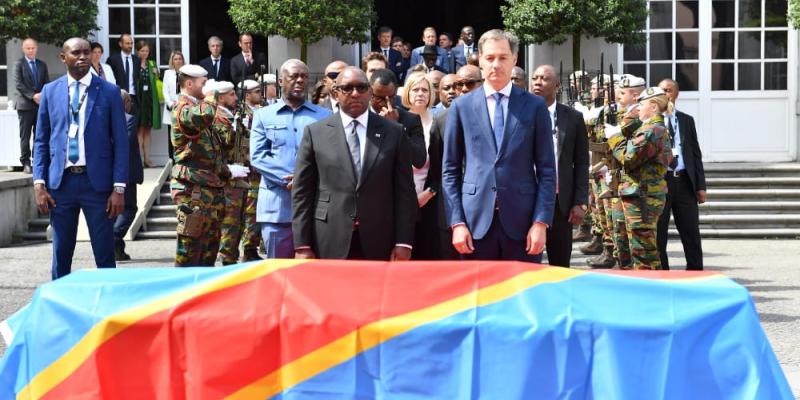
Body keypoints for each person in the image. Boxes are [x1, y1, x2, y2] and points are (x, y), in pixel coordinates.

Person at [442, 29, 556, 262]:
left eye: (503, 58)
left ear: (514, 59)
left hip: (523, 224)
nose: (496, 64)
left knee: (522, 295)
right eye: (490, 58)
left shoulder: (535, 107)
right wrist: (457, 222)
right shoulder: (461, 107)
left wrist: (541, 222)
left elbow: (547, 170)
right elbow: (450, 170)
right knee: (479, 297)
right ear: (480, 60)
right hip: (474, 225)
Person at [292, 67, 416, 260]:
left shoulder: (394, 132)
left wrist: (403, 242)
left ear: (370, 92)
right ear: (335, 93)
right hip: (328, 237)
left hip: (380, 239)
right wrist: (302, 245)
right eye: (347, 88)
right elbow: (302, 193)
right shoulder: (315, 133)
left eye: (361, 87)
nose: (355, 94)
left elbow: (405, 192)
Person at [32, 38, 128, 279]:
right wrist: (39, 184)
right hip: (60, 186)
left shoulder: (109, 92)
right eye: (77, 53)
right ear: (64, 57)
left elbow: (121, 143)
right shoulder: (50, 91)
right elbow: (42, 141)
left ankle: (107, 310)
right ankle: (60, 310)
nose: (83, 57)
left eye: (87, 52)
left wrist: (119, 188)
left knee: (105, 255)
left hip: (97, 186)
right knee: (61, 254)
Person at [250, 60, 331, 258]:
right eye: (293, 76)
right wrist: (289, 179)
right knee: (279, 272)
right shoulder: (263, 116)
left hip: (315, 207)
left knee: (313, 275)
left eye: (304, 77)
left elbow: (331, 156)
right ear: (281, 81)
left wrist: (303, 180)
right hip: (277, 208)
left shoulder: (325, 116)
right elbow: (258, 156)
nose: (300, 80)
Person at [606, 87, 673, 270]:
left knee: (643, 252)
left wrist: (614, 138)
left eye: (641, 104)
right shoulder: (647, 128)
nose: (637, 108)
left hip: (644, 197)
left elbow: (629, 158)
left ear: (653, 107)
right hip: (637, 194)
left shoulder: (653, 130)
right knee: (631, 248)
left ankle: (652, 291)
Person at [531, 64, 589, 267]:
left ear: (556, 85)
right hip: (528, 198)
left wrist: (580, 201)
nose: (538, 82)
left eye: (544, 78)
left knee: (560, 262)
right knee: (529, 261)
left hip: (560, 202)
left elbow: (582, 162)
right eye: (535, 77)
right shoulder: (521, 115)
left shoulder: (573, 118)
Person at [170, 64, 228, 267]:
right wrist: (212, 94)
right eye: (203, 83)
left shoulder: (200, 106)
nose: (206, 87)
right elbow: (201, 117)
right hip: (192, 189)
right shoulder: (183, 108)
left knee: (208, 253)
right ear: (188, 83)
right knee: (189, 253)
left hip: (209, 187)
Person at [656, 78, 706, 270]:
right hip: (662, 182)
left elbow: (695, 154)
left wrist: (700, 186)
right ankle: (663, 274)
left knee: (690, 230)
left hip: (684, 180)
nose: (665, 94)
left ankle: (695, 271)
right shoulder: (652, 121)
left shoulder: (686, 120)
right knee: (660, 231)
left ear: (676, 94)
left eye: (668, 90)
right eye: (661, 91)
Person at [402, 72, 440, 260]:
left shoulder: (439, 122)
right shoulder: (396, 120)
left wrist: (430, 192)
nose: (420, 94)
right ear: (407, 93)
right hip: (401, 200)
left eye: (425, 90)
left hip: (430, 199)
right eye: (415, 89)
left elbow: (444, 163)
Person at [213, 80, 249, 265]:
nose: (236, 98)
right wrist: (235, 127)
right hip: (227, 179)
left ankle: (231, 257)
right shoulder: (218, 117)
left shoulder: (231, 116)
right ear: (220, 98)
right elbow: (224, 144)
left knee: (238, 223)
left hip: (238, 176)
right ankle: (227, 260)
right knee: (230, 223)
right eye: (231, 94)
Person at [368, 69, 426, 168]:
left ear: (396, 93)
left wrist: (396, 127)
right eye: (379, 98)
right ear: (369, 92)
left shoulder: (410, 120)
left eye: (390, 97)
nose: (385, 103)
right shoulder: (361, 117)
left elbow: (419, 160)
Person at [114, 90, 143, 261]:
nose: (131, 105)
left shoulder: (103, 119)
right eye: (130, 102)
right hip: (126, 173)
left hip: (112, 173)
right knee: (129, 209)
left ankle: (118, 250)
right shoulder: (129, 119)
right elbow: (122, 146)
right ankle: (114, 236)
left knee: (115, 211)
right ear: (125, 103)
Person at [14, 38, 49, 174]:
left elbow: (47, 82)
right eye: (28, 48)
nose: (30, 50)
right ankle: (26, 162)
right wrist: (32, 95)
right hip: (25, 105)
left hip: (40, 105)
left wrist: (42, 95)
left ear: (36, 48)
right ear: (23, 49)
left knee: (39, 135)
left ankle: (38, 161)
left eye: (33, 48)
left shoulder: (42, 65)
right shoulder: (19, 64)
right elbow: (18, 84)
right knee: (25, 136)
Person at [239, 80, 265, 261]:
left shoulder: (262, 111)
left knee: (258, 211)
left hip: (262, 170)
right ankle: (248, 248)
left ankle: (253, 246)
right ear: (247, 94)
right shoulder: (241, 113)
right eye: (256, 91)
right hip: (250, 171)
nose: (260, 94)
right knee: (251, 211)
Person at [134, 40, 162, 167]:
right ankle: (138, 160)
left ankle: (147, 159)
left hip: (150, 100)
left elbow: (157, 80)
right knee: (139, 130)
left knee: (148, 130)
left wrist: (157, 74)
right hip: (139, 99)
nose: (144, 53)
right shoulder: (134, 63)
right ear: (137, 51)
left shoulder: (152, 64)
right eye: (142, 51)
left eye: (146, 51)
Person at [162, 50, 185, 161]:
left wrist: (182, 103)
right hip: (171, 108)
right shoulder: (168, 73)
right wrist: (170, 103)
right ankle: (171, 159)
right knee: (171, 136)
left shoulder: (186, 73)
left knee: (182, 136)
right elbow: (165, 90)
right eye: (175, 59)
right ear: (172, 60)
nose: (178, 61)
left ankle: (181, 159)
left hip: (183, 108)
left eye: (180, 59)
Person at [107, 34, 138, 109]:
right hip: (118, 97)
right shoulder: (112, 59)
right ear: (120, 44)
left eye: (131, 43)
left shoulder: (136, 60)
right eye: (127, 43)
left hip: (134, 98)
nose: (130, 46)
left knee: (134, 120)